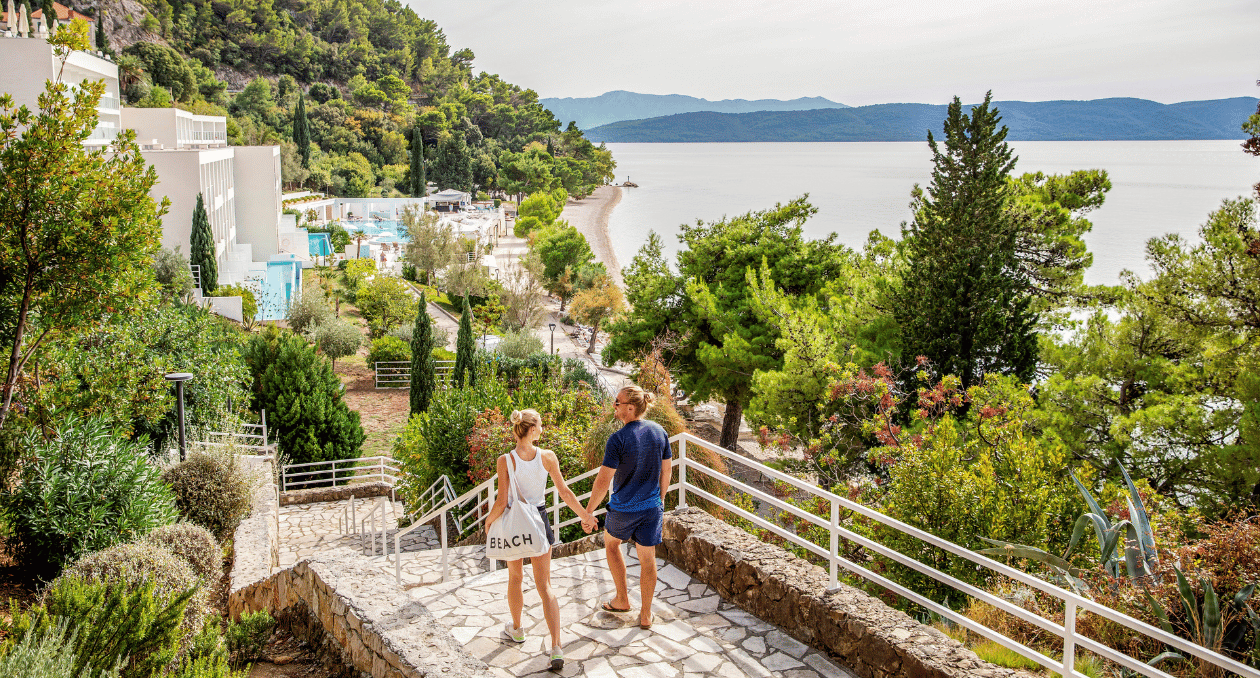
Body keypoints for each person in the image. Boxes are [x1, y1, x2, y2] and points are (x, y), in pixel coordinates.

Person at [484, 409, 592, 670]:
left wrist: (488, 521)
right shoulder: (547, 457)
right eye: (540, 424)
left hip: (515, 522)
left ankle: (518, 629)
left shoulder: (505, 460)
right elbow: (564, 492)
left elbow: (501, 500)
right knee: (545, 586)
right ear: (532, 429)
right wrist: (585, 516)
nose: (543, 428)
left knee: (515, 578)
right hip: (538, 522)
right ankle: (556, 647)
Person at [582, 385, 672, 630]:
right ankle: (645, 614)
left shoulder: (618, 439)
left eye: (617, 402)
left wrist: (588, 511)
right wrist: (659, 500)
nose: (615, 405)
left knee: (611, 544)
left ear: (630, 408)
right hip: (651, 508)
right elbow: (667, 470)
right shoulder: (659, 432)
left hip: (623, 509)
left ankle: (622, 599)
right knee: (648, 559)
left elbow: (603, 480)